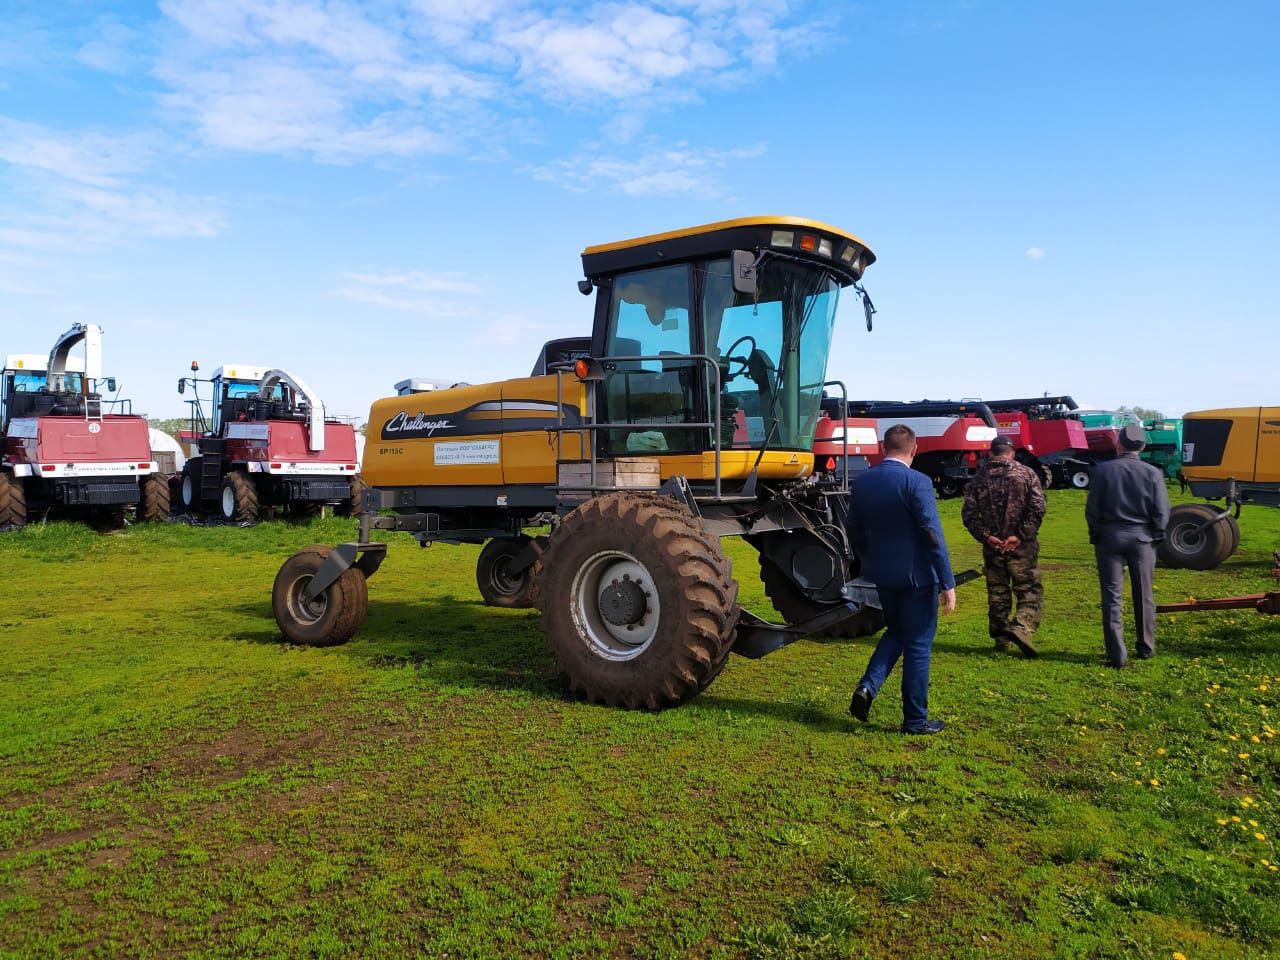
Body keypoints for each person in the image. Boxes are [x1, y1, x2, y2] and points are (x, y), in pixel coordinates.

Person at [847, 424, 957, 734]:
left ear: (883, 447)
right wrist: (947, 581)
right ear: (915, 449)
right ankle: (915, 719)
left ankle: (868, 687)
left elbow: (853, 526)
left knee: (896, 631)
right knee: (919, 644)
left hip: (882, 573)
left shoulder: (864, 481)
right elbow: (931, 534)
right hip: (918, 576)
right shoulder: (917, 481)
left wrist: (868, 559)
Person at [1085, 423, 1171, 667]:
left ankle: (1117, 654)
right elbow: (1161, 511)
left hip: (1109, 538)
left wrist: (1097, 535)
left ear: (1118, 443)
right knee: (1144, 595)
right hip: (1143, 538)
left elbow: (1092, 509)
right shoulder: (1152, 472)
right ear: (1142, 446)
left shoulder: (1103, 471)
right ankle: (1146, 647)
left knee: (1112, 597)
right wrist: (1156, 535)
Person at [961, 436, 1046, 657]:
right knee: (1028, 589)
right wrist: (1019, 535)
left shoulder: (977, 479)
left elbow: (969, 516)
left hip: (993, 547)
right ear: (1012, 452)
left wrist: (987, 537)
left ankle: (1001, 638)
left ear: (990, 453)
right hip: (1022, 546)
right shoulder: (1027, 474)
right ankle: (1021, 627)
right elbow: (1037, 507)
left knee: (998, 592)